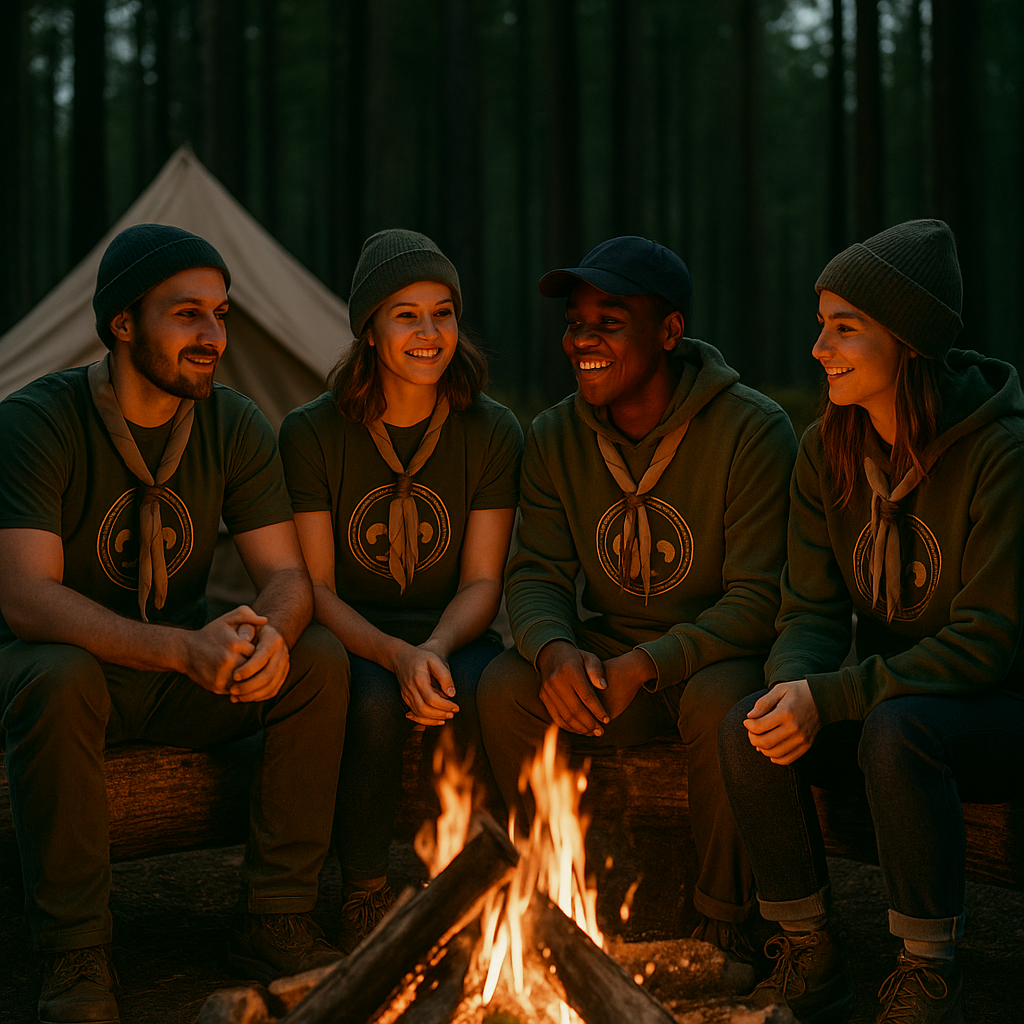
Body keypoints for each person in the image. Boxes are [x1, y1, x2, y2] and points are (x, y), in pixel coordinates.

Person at [0, 224, 350, 1024]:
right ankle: (75, 954)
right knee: (56, 672)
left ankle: (276, 917)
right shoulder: (36, 422)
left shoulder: (233, 424)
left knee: (319, 656)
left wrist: (271, 637)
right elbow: (25, 597)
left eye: (221, 314)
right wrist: (178, 650)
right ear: (123, 323)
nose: (212, 336)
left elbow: (288, 577)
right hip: (61, 676)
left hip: (174, 678)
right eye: (187, 314)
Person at [718, 219, 1024, 1024]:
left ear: (909, 341)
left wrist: (838, 697)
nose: (819, 347)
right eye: (822, 324)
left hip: (996, 712)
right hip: (893, 699)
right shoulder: (829, 449)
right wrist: (794, 691)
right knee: (748, 725)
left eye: (844, 328)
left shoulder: (1002, 457)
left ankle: (927, 973)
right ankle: (809, 954)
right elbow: (811, 609)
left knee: (896, 728)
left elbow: (990, 642)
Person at [477, 235, 798, 966]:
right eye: (574, 322)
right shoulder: (554, 435)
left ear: (670, 331)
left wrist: (649, 663)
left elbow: (760, 599)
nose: (582, 339)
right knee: (505, 686)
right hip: (608, 657)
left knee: (727, 706)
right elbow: (536, 575)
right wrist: (556, 650)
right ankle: (553, 901)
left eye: (609, 321)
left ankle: (723, 920)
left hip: (713, 659)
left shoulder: (751, 431)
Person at [279, 229, 523, 951]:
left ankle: (482, 881)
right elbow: (316, 586)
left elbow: (483, 578)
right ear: (370, 330)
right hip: (350, 629)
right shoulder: (313, 434)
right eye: (405, 314)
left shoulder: (491, 430)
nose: (428, 332)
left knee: (486, 687)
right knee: (375, 699)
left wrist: (435, 648)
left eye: (443, 312)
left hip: (454, 625)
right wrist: (394, 654)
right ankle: (362, 889)